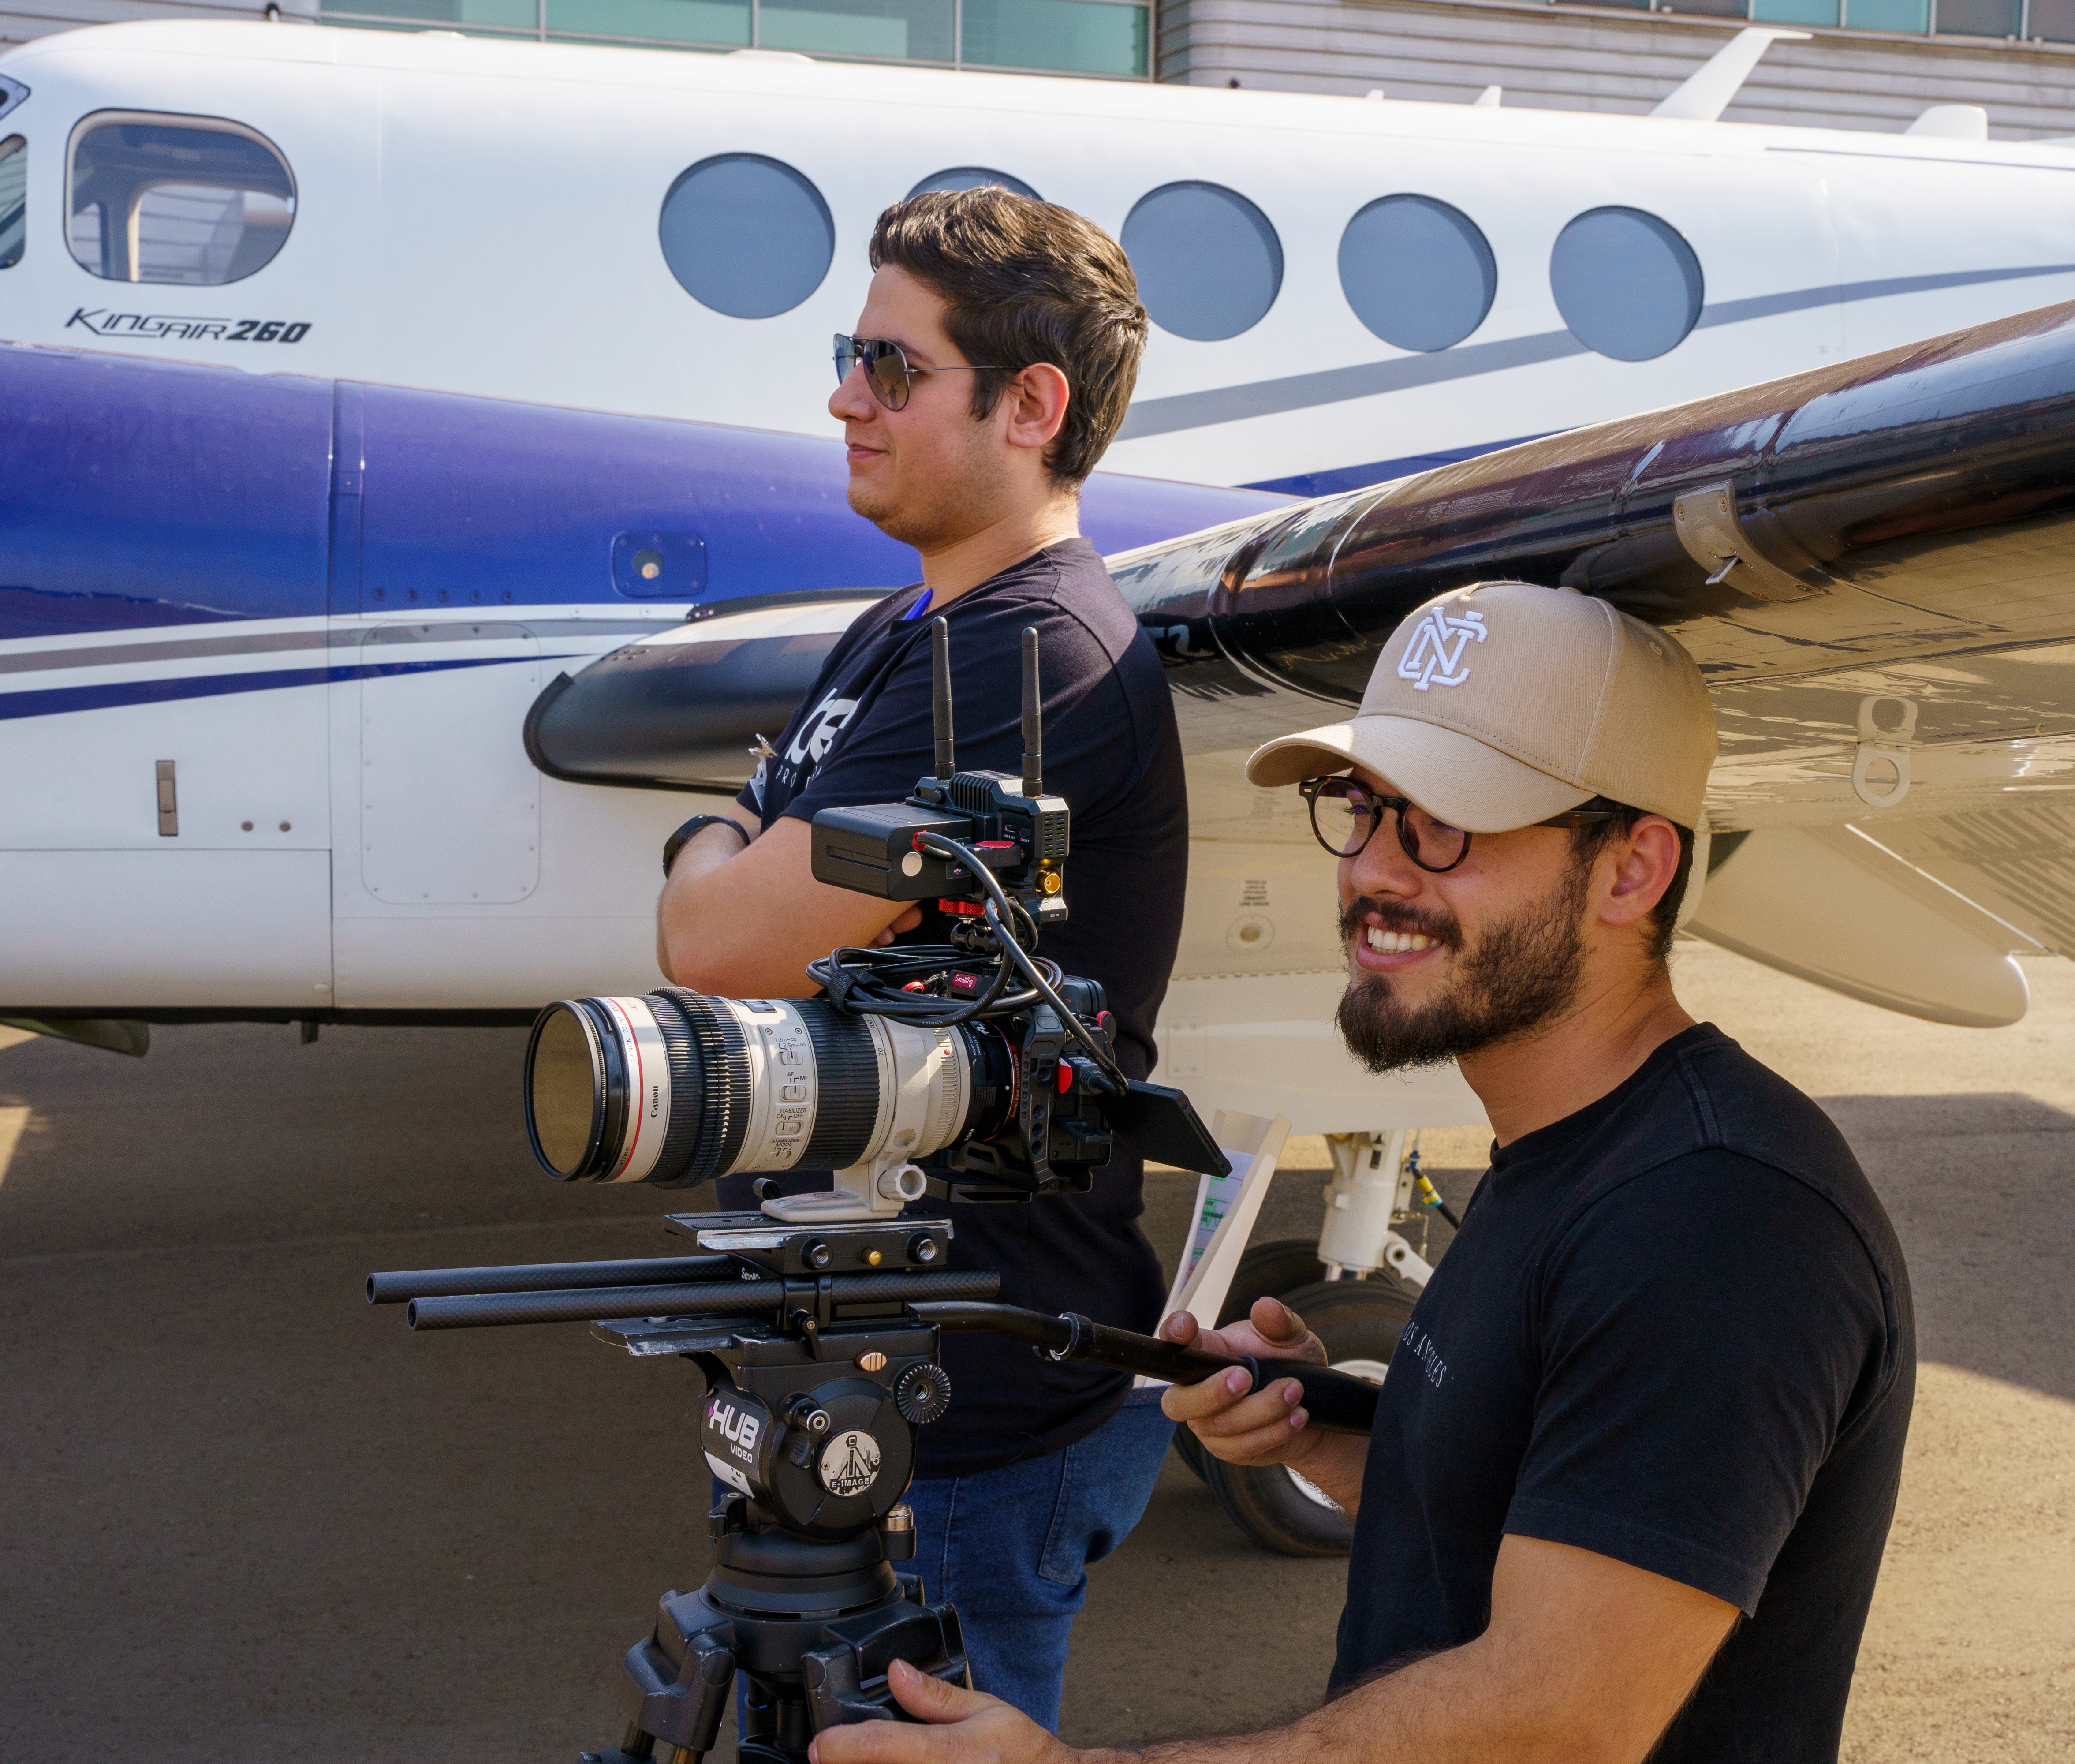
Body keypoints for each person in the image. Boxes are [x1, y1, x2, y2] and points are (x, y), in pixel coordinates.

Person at [806, 581, 1916, 1764]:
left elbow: (1559, 1719)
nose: (1374, 874)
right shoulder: (1577, 1148)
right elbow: (1545, 1486)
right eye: (1364, 808)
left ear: (1632, 870)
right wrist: (1328, 1435)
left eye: (1446, 822)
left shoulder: (1718, 1217)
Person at [653, 186, 1186, 1732]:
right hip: (858, 1397)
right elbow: (743, 894)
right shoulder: (907, 632)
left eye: (892, 368)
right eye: (850, 355)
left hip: (966, 1422)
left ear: (1032, 406)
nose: (842, 396)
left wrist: (725, 846)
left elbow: (721, 937)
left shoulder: (1037, 660)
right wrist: (738, 856)